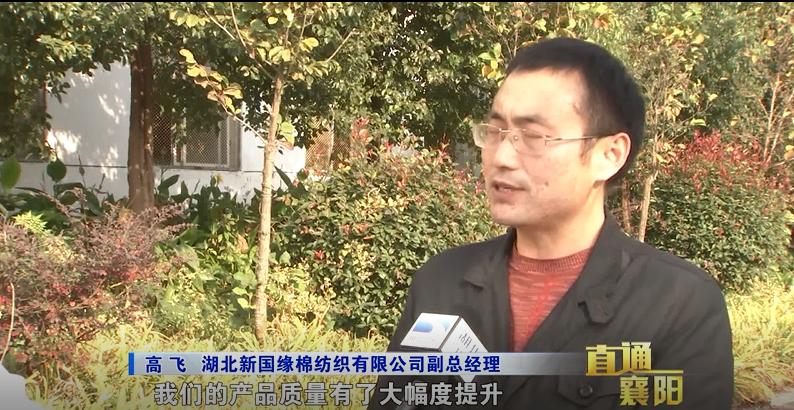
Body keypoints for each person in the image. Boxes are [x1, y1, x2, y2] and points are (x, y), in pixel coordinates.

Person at [368, 37, 733, 409]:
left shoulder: (678, 305)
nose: (502, 157)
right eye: (495, 132)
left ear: (609, 155)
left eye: (533, 136)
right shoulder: (441, 282)